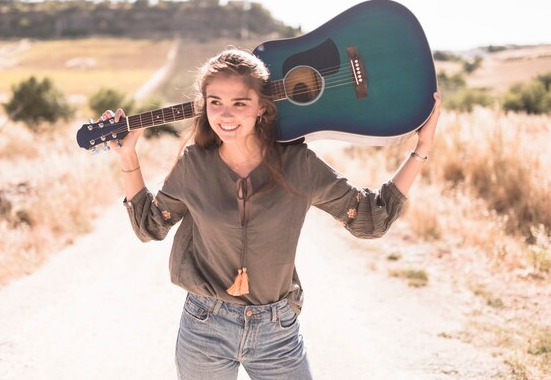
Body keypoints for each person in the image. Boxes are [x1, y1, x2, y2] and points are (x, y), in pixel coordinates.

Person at [101, 48, 441, 380]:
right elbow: (150, 226)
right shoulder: (194, 164)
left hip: (276, 331)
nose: (225, 115)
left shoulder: (298, 164)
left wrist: (421, 150)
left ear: (262, 107)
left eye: (240, 103)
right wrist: (128, 157)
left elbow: (372, 219)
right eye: (215, 102)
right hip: (205, 326)